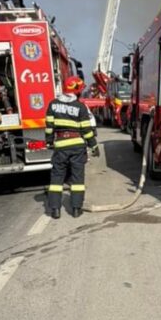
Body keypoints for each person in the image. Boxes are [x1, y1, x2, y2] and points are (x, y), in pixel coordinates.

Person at [45, 76, 98, 219]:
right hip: (77, 147)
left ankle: (55, 210)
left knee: (57, 178)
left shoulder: (53, 104)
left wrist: (49, 141)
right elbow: (86, 130)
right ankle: (76, 209)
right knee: (77, 178)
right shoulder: (80, 106)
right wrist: (94, 145)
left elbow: (49, 127)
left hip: (60, 146)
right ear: (77, 91)